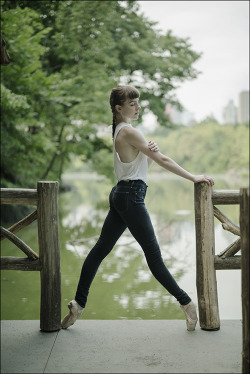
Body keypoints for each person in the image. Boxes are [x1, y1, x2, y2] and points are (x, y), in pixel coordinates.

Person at [61, 85, 214, 331]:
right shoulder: (129, 132)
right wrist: (193, 177)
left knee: (100, 250)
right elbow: (163, 160)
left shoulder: (121, 131)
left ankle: (78, 304)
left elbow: (137, 170)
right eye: (132, 104)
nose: (138, 107)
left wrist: (147, 156)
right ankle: (187, 304)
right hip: (131, 197)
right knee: (153, 257)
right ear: (119, 108)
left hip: (121, 194)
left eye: (138, 103)